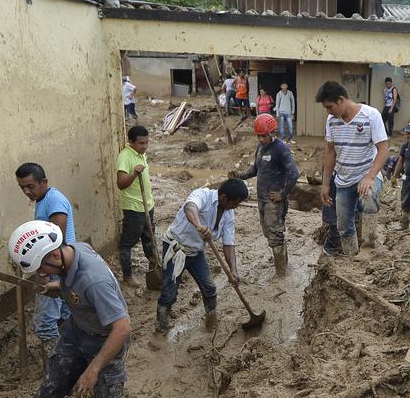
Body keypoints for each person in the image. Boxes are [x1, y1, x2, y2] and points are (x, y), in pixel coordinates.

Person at [10, 221, 131, 398]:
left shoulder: (94, 282)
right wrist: (60, 287)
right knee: (50, 389)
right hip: (76, 332)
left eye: (41, 268)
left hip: (106, 339)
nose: (40, 274)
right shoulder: (74, 250)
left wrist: (93, 370)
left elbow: (122, 328)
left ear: (55, 255)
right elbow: (74, 283)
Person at [155, 179, 249, 331]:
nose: (235, 207)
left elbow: (229, 243)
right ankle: (161, 325)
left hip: (196, 252)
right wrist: (199, 225)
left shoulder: (228, 213)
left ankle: (211, 320)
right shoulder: (203, 195)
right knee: (169, 292)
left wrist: (234, 269)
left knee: (209, 288)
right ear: (224, 198)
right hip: (176, 248)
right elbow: (190, 207)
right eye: (235, 203)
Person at [317, 81, 389, 256]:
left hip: (366, 175)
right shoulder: (331, 121)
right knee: (343, 225)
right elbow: (330, 153)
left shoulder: (371, 115)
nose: (328, 111)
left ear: (341, 100)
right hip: (343, 180)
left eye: (329, 106)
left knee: (369, 198)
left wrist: (370, 176)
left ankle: (368, 250)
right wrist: (326, 184)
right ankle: (351, 257)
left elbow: (384, 150)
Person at [230, 114, 299, 277]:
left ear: (272, 133)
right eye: (259, 136)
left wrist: (283, 194)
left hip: (274, 201)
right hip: (262, 199)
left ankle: (281, 273)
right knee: (268, 233)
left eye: (264, 136)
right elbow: (255, 170)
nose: (261, 139)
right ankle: (283, 262)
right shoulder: (260, 148)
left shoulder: (280, 149)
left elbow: (294, 173)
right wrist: (239, 175)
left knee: (275, 235)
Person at [17, 162, 75, 349]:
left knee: (45, 325)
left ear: (43, 182)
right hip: (61, 267)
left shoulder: (54, 201)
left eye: (30, 186)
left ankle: (56, 367)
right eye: (22, 187)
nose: (26, 192)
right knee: (68, 316)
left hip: (55, 268)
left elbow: (55, 243)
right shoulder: (45, 200)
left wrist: (43, 275)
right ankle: (71, 357)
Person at [115, 125, 159, 284]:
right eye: (141, 143)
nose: (145, 146)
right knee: (127, 242)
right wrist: (134, 173)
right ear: (131, 142)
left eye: (147, 143)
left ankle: (155, 267)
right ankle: (127, 276)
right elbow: (120, 183)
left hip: (147, 205)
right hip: (134, 208)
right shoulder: (125, 157)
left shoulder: (141, 154)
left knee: (150, 238)